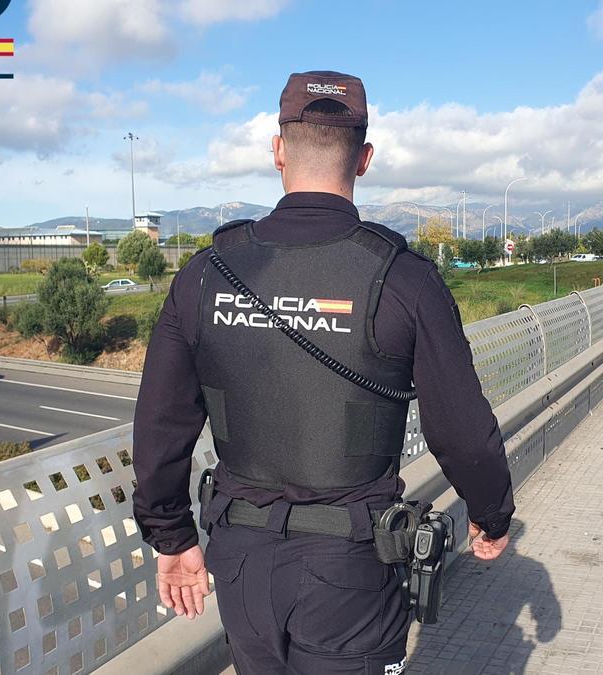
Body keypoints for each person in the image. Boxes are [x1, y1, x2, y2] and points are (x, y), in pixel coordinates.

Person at [133, 70, 515, 674]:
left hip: (240, 559)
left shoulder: (205, 274)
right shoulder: (404, 279)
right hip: (351, 568)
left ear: (278, 151)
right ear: (364, 159)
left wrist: (172, 536)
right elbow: (462, 430)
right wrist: (491, 514)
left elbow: (160, 423)